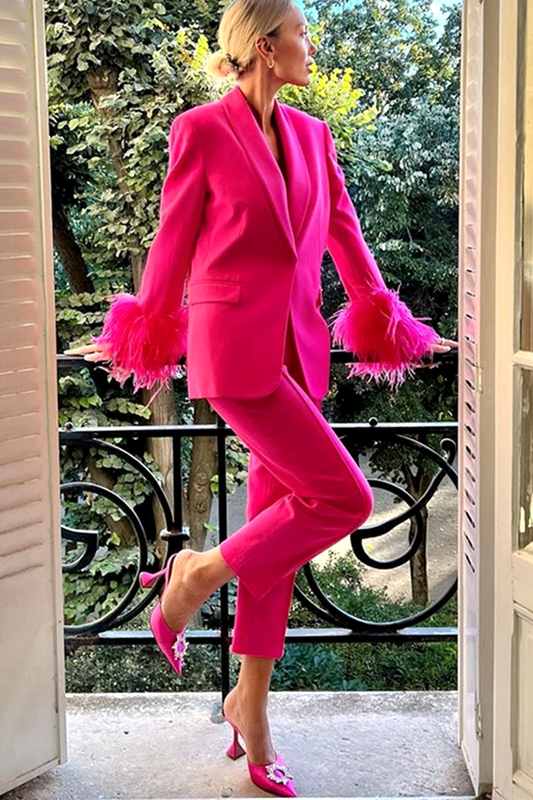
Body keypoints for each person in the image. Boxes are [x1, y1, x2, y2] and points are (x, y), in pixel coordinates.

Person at [65, 0, 457, 794]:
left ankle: (252, 707)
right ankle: (192, 576)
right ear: (266, 45)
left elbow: (343, 232)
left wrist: (392, 321)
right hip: (233, 347)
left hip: (298, 348)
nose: (311, 44)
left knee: (276, 540)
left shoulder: (313, 135)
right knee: (344, 498)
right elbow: (174, 237)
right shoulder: (201, 130)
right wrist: (144, 323)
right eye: (302, 33)